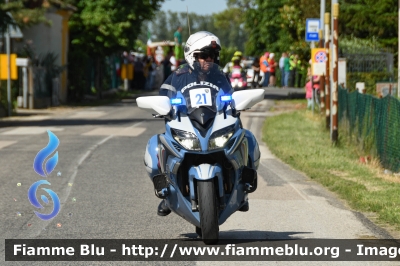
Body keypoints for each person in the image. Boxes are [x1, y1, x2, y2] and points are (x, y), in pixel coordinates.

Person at [157, 31, 255, 216]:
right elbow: (163, 96)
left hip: (215, 122)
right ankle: (166, 193)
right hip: (187, 122)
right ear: (191, 55)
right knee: (157, 145)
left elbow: (232, 97)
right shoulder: (178, 76)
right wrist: (164, 106)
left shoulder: (221, 77)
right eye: (203, 56)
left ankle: (243, 186)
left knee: (247, 138)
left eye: (211, 56)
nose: (207, 60)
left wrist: (236, 102)